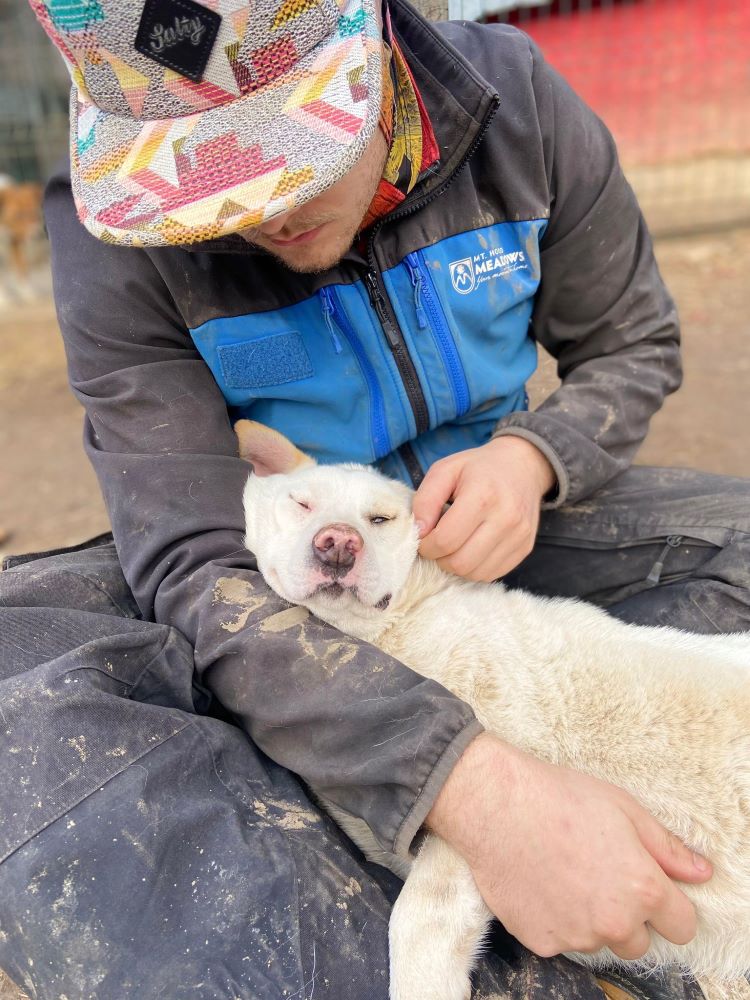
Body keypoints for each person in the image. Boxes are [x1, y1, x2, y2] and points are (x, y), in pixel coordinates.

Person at [1, 0, 748, 997]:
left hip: (482, 538)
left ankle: (602, 889)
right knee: (25, 698)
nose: (260, 208)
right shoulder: (112, 251)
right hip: (263, 577)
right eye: (200, 177)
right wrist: (474, 788)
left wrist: (534, 457)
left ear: (378, 44)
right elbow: (190, 559)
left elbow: (633, 343)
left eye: (284, 152)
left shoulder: (517, 105)